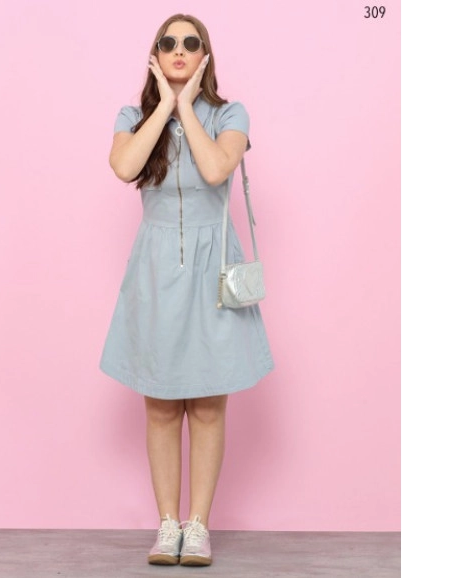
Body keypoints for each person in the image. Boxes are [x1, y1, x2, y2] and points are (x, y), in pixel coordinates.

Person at [100, 13, 274, 567]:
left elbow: (218, 168)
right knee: (159, 405)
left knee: (207, 404)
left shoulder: (230, 113)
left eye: (190, 42)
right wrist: (166, 106)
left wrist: (189, 106)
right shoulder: (133, 117)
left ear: (205, 55)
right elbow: (124, 164)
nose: (179, 49)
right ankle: (167, 524)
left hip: (212, 268)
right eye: (168, 42)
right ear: (155, 55)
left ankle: (198, 526)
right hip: (155, 271)